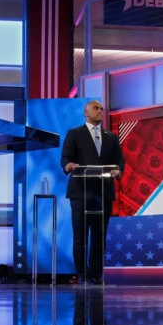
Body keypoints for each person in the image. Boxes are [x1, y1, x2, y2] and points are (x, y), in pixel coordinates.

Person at [60, 100, 125, 285]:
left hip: (103, 192)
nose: (100, 111)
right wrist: (68, 165)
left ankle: (96, 275)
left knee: (99, 237)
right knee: (80, 236)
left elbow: (119, 160)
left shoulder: (111, 137)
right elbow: (65, 157)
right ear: (86, 113)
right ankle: (82, 274)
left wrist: (118, 170)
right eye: (96, 108)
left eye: (101, 108)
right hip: (81, 192)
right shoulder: (75, 134)